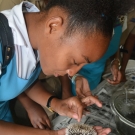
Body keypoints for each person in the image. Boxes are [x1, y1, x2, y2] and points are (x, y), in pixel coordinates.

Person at [0, 0, 133, 134]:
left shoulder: (36, 37)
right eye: (75, 61)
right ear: (53, 26)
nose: (73, 72)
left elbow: (21, 79)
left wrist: (56, 104)